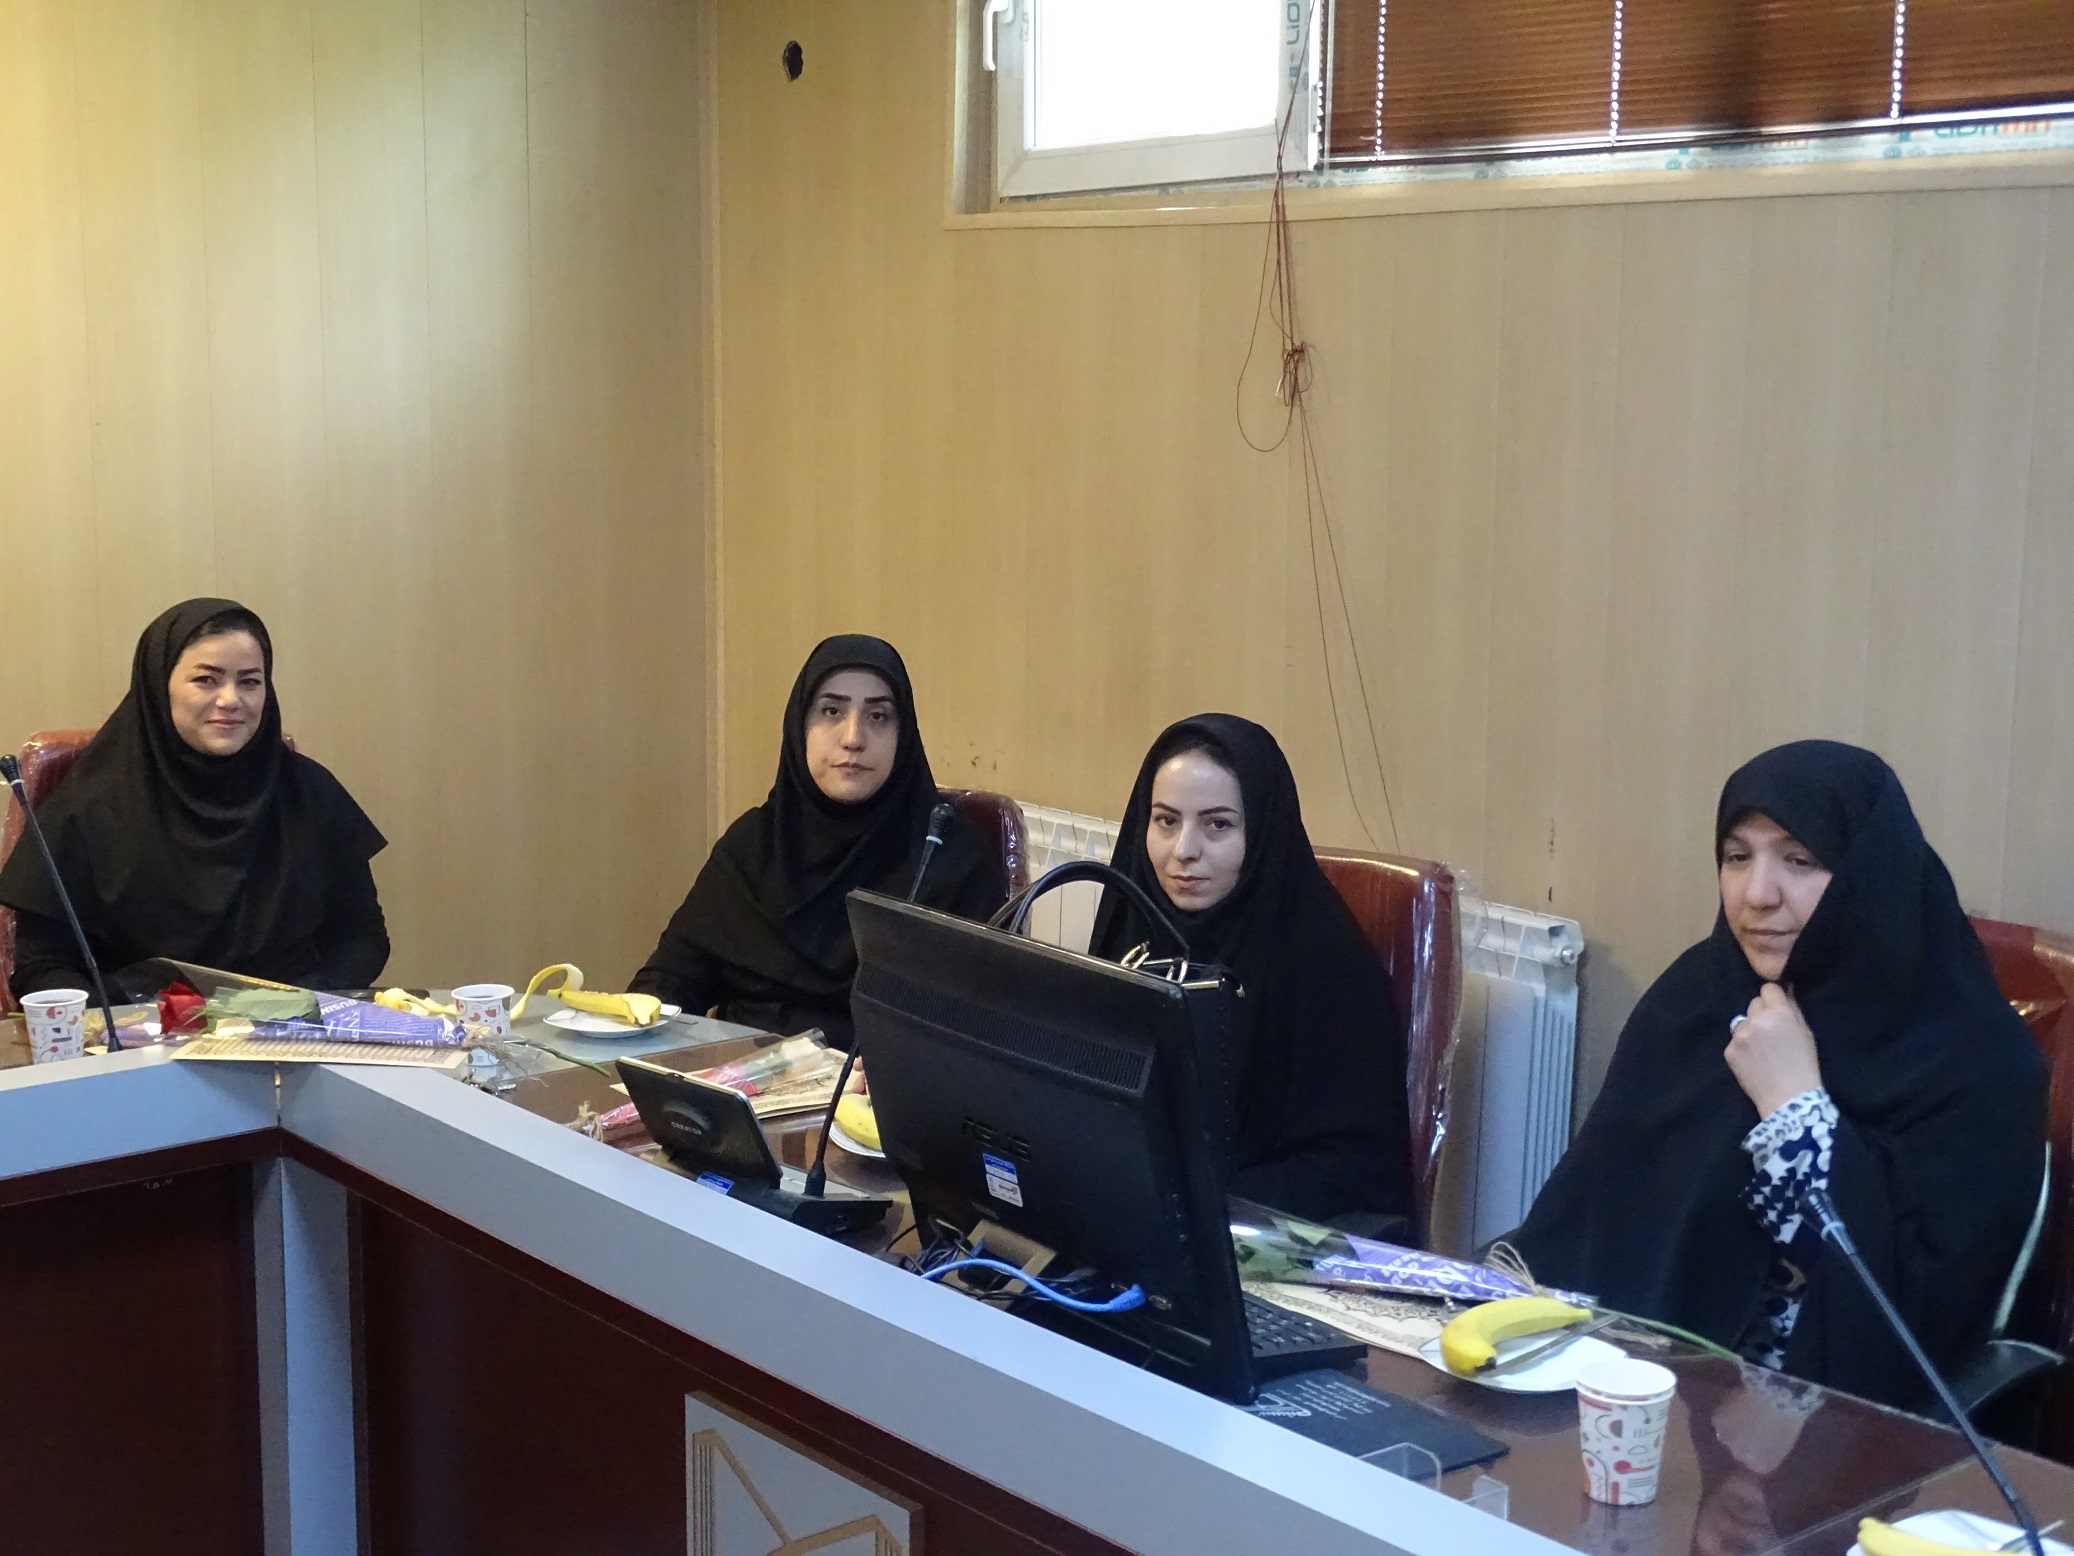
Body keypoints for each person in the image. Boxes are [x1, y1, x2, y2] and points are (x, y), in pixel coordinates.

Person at [1513, 740, 2046, 1411]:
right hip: (1632, 1389)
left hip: (1827, 1425)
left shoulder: (1978, 1061)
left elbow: (1906, 1326)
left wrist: (1796, 1105)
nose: (1757, 895)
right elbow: (1592, 1227)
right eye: (1737, 857)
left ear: (1868, 876)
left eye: (1800, 861)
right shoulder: (1697, 999)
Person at [1089, 714, 1413, 1228]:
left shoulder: (1325, 961)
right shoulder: (1133, 922)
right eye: (1166, 821)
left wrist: (1189, 1202)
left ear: (1262, 831)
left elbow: (1355, 1173)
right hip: (1127, 1213)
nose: (1184, 851)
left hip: (1257, 1235)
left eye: (1218, 824)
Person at [1, 598, 390, 999]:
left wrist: (296, 1004)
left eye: (250, 682)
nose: (231, 700)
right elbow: (42, 965)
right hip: (138, 1026)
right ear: (159, 685)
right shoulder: (88, 808)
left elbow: (360, 937)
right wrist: (120, 1021)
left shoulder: (309, 792)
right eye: (206, 680)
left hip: (283, 1024)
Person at [631, 635, 1007, 1047]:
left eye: (878, 716)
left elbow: (983, 1030)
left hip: (876, 1083)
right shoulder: (753, 847)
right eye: (832, 711)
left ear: (905, 735)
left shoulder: (950, 858)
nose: (853, 737)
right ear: (800, 727)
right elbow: (668, 984)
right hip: (743, 1078)